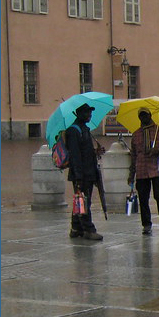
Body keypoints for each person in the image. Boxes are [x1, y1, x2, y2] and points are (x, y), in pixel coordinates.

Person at [127, 108, 159, 235]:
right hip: (141, 170)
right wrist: (131, 174)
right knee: (143, 199)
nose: (143, 118)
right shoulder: (136, 134)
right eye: (141, 116)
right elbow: (133, 155)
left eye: (145, 115)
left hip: (157, 169)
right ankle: (146, 224)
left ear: (150, 115)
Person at [64, 103, 104, 241]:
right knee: (84, 201)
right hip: (81, 174)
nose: (90, 115)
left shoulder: (85, 129)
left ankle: (76, 228)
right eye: (87, 113)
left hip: (89, 171)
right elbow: (75, 156)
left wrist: (96, 152)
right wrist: (79, 177)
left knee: (80, 201)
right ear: (79, 114)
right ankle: (88, 229)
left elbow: (85, 152)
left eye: (90, 113)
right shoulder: (73, 131)